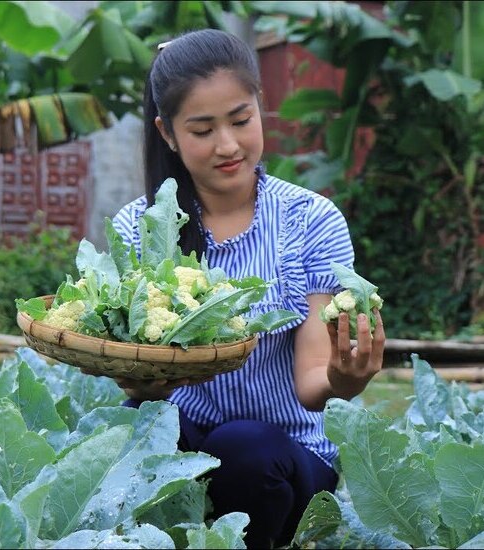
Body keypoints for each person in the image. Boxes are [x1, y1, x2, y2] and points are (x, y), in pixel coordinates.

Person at [111, 28, 385, 549]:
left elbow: (310, 382)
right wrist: (143, 384)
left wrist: (344, 379)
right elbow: (141, 376)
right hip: (188, 444)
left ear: (260, 107)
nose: (229, 145)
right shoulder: (141, 227)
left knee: (244, 444)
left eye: (241, 120)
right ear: (167, 134)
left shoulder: (310, 220)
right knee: (135, 427)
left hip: (286, 456)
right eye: (202, 130)